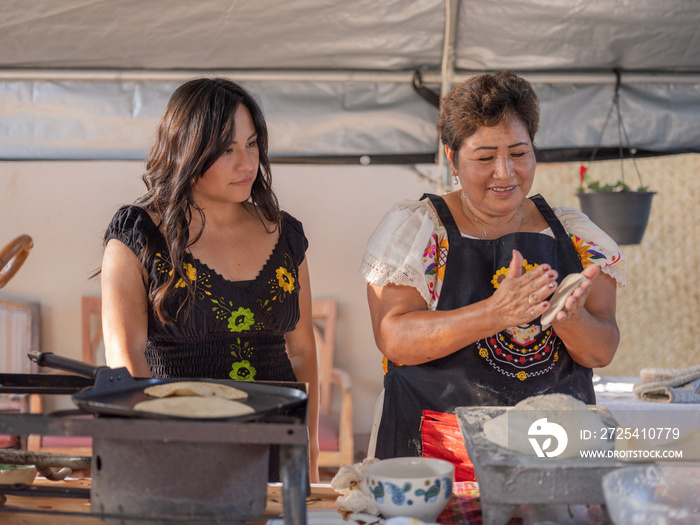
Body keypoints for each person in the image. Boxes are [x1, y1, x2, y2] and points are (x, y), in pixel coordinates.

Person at [360, 70, 625, 459]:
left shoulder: (575, 236)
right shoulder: (419, 230)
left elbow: (600, 353)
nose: (505, 173)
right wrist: (494, 313)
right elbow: (394, 337)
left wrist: (571, 321)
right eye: (485, 157)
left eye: (519, 153)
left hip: (548, 449)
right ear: (452, 157)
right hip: (437, 449)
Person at [100, 78, 319, 482]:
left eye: (252, 144)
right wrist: (158, 451)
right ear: (186, 150)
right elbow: (126, 361)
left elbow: (303, 351)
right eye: (226, 149)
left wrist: (310, 441)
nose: (246, 163)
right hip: (176, 445)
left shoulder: (285, 233)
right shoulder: (138, 234)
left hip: (277, 443)